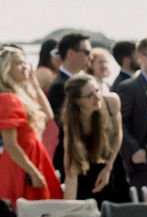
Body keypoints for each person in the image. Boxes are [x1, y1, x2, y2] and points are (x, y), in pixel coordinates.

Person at [0, 47, 62, 207]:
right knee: (30, 211)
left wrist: (34, 84)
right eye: (18, 64)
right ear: (6, 69)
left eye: (25, 63)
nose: (25, 67)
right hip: (22, 164)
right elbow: (11, 145)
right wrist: (33, 172)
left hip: (33, 157)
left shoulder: (21, 95)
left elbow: (49, 115)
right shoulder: (8, 98)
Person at [60, 74, 130, 205]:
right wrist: (68, 210)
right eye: (89, 96)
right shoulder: (71, 122)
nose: (97, 97)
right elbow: (71, 170)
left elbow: (118, 135)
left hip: (111, 161)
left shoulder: (111, 102)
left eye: (97, 90)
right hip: (87, 170)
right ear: (77, 101)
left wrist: (108, 168)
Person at [117, 37, 147, 190]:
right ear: (140, 57)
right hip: (144, 158)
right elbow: (119, 123)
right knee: (145, 202)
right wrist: (134, 150)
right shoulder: (129, 87)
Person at [48, 32, 92, 174]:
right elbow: (65, 124)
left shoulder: (84, 81)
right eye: (86, 52)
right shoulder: (59, 86)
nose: (90, 57)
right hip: (73, 158)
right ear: (71, 53)